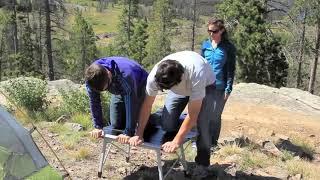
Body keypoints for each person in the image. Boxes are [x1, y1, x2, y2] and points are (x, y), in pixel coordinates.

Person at [128, 51, 216, 177]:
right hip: (179, 87)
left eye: (166, 88)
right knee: (167, 124)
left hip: (206, 85)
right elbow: (147, 105)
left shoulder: (197, 74)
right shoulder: (155, 76)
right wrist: (139, 134)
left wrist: (176, 141)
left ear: (179, 79)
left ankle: (202, 164)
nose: (164, 91)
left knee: (203, 123)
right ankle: (173, 118)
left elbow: (193, 114)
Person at [85, 57, 148, 143]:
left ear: (109, 74)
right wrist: (98, 127)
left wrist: (128, 132)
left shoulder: (125, 76)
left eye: (106, 88)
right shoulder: (91, 78)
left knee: (137, 122)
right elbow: (94, 101)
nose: (105, 91)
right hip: (119, 88)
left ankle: (150, 120)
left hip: (139, 84)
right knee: (116, 124)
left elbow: (131, 102)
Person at [201, 18, 236, 148]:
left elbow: (231, 69)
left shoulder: (228, 48)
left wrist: (228, 89)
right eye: (209, 31)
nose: (211, 34)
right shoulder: (205, 45)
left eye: (214, 31)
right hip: (204, 86)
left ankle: (212, 144)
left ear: (221, 30)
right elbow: (201, 65)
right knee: (203, 114)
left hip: (219, 87)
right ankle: (201, 141)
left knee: (215, 116)